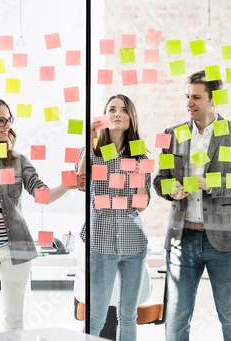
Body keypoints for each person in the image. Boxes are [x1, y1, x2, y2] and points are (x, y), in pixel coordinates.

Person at [0, 96, 83, 334]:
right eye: (0, 120)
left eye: (8, 119)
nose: (7, 126)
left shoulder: (18, 161)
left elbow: (42, 194)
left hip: (16, 248)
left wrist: (69, 185)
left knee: (14, 322)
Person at [153, 70, 231, 341]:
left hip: (225, 241)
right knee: (176, 319)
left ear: (214, 100)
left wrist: (211, 183)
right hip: (182, 239)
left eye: (197, 97)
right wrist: (171, 190)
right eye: (187, 96)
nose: (189, 102)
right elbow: (159, 180)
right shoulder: (172, 134)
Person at [77, 94, 151, 340]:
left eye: (123, 110)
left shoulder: (140, 156)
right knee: (96, 316)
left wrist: (140, 178)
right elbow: (81, 183)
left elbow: (141, 206)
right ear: (104, 117)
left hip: (134, 242)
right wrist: (88, 141)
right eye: (112, 109)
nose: (117, 114)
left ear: (131, 118)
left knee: (128, 316)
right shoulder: (95, 151)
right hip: (101, 242)